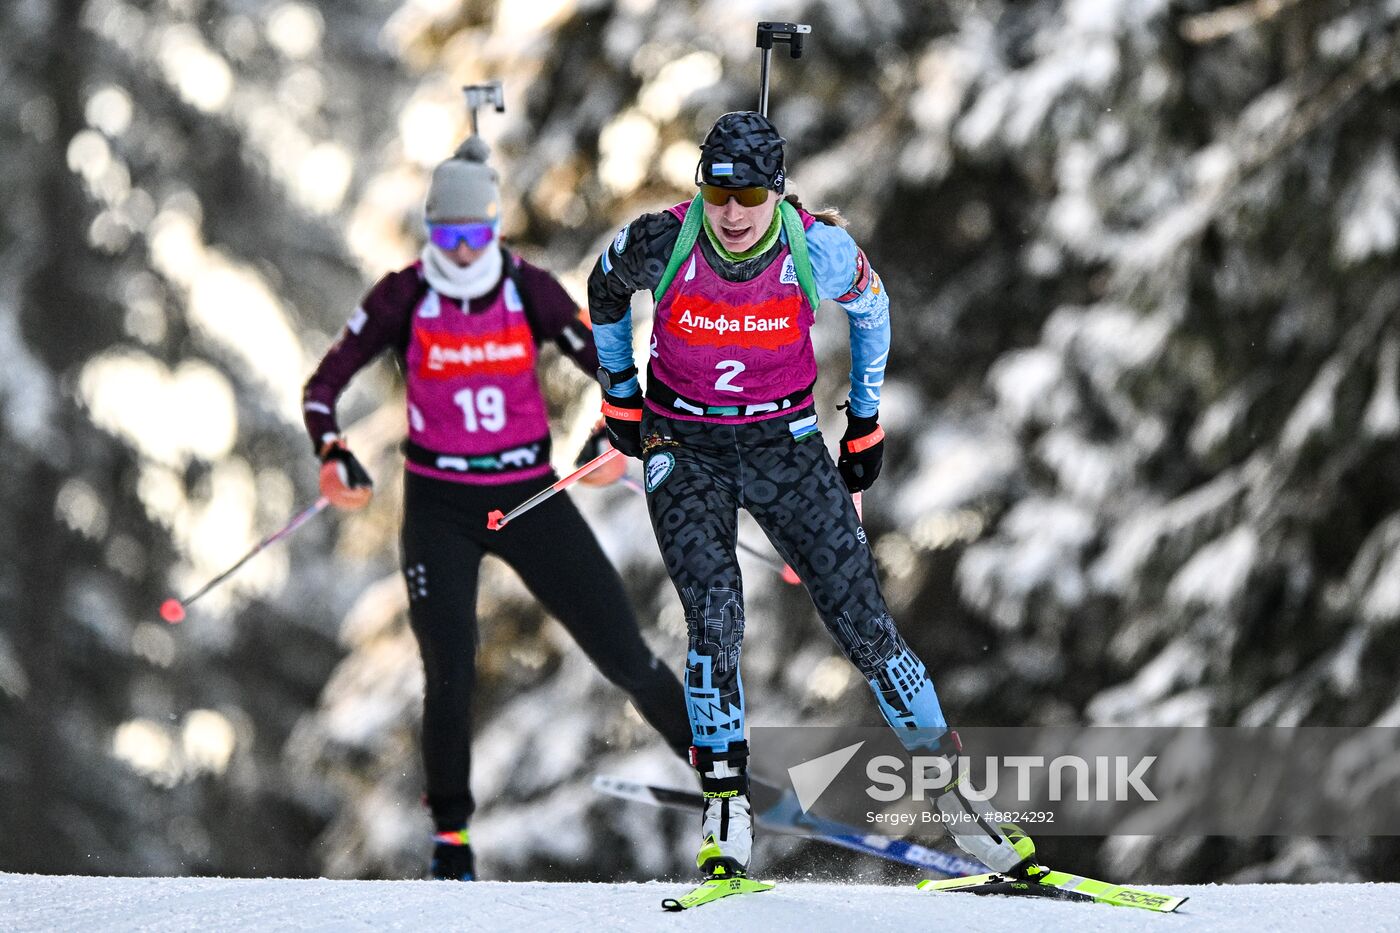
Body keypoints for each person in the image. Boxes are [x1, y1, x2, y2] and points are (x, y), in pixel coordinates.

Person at [586, 111, 1036, 882]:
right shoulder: (666, 239)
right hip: (682, 445)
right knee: (716, 611)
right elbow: (603, 287)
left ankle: (961, 803)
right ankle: (724, 804)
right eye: (717, 192)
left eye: (750, 194)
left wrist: (864, 418)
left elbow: (873, 307)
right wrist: (621, 395)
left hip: (785, 445)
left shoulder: (815, 247)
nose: (730, 212)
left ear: (777, 191)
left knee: (863, 620)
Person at [302, 136, 691, 881]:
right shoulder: (403, 295)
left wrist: (624, 427)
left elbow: (608, 365)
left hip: (527, 495)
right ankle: (452, 840)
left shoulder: (528, 288)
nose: (460, 247)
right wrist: (332, 451)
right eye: (445, 233)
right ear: (428, 230)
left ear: (494, 227)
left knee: (624, 651)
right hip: (440, 505)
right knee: (448, 664)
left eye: (474, 232)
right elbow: (323, 387)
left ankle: (717, 773)